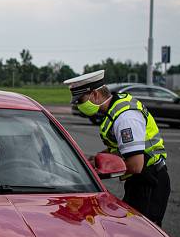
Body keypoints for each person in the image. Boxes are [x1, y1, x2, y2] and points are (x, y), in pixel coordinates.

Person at [64, 70, 170, 226]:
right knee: (129, 231)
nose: (79, 105)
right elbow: (122, 148)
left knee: (142, 233)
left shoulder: (126, 118)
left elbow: (135, 165)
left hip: (149, 181)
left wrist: (99, 172)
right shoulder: (113, 110)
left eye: (81, 100)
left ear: (94, 95)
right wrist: (96, 159)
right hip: (139, 181)